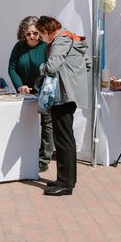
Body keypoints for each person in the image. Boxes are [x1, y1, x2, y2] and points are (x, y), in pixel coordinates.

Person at [35, 15, 89, 197]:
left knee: (64, 139)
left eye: (41, 35)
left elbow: (51, 66)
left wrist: (41, 68)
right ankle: (65, 179)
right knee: (65, 138)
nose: (42, 39)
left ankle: (66, 184)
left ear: (45, 31)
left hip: (63, 95)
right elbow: (87, 64)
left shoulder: (60, 40)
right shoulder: (71, 37)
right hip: (68, 94)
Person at [8, 15, 54, 172]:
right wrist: (20, 86)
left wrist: (43, 86)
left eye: (35, 33)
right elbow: (12, 68)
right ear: (23, 34)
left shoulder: (45, 46)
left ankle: (44, 158)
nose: (32, 36)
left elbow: (51, 68)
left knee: (47, 123)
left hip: (44, 89)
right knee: (24, 122)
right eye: (29, 34)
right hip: (25, 92)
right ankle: (24, 153)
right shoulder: (18, 47)